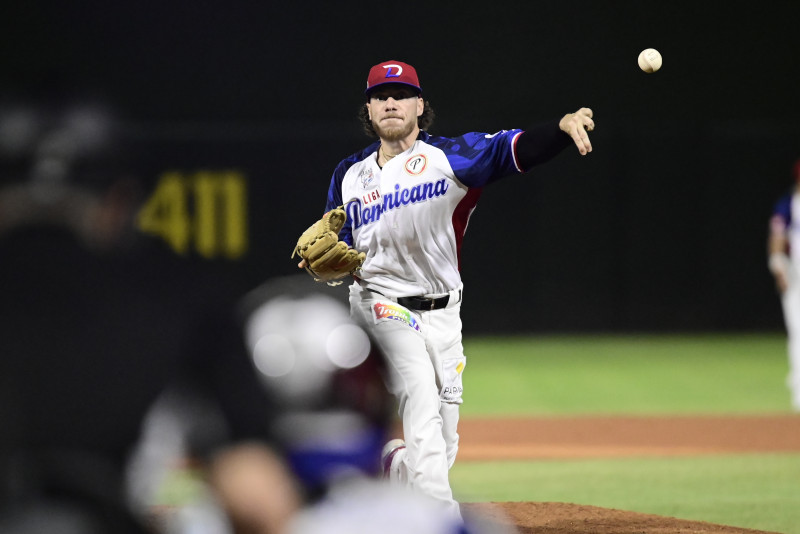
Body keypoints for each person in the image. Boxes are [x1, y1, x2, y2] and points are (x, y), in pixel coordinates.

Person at [297, 59, 595, 520]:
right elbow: (334, 245)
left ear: (420, 105)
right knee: (418, 391)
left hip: (442, 311)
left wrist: (560, 128)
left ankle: (399, 470)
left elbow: (517, 149)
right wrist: (324, 264)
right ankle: (440, 518)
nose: (390, 102)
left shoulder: (451, 158)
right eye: (380, 95)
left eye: (400, 94)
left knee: (445, 431)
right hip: (379, 305)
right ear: (369, 110)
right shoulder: (349, 175)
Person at [0, 100, 301, 534]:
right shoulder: (185, 292)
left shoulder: (185, 299)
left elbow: (251, 477)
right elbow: (256, 489)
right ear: (119, 202)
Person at [767, 158, 800, 412]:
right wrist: (779, 267)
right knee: (798, 334)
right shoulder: (788, 204)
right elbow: (777, 238)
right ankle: (799, 387)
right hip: (796, 280)